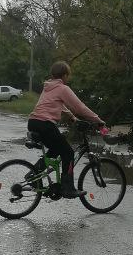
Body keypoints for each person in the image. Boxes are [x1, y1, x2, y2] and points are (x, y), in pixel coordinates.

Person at [27, 60, 105, 198]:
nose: (67, 78)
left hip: (33, 122)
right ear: (64, 75)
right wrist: (97, 120)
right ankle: (67, 188)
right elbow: (79, 107)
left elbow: (56, 104)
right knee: (68, 153)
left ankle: (33, 173)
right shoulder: (63, 88)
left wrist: (72, 117)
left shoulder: (48, 87)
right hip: (45, 124)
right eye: (67, 75)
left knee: (56, 149)